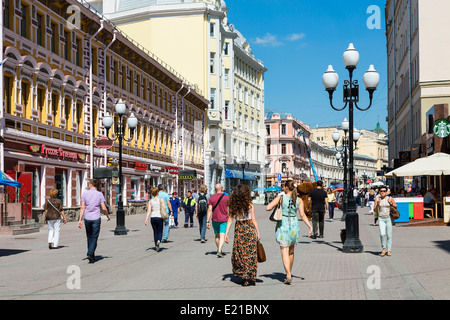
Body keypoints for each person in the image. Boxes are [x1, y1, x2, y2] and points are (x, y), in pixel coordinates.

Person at [266, 180, 312, 284]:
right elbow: (303, 215)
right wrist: (310, 227)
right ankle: (289, 272)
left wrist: (277, 204)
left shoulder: (281, 197)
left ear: (286, 187)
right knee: (291, 251)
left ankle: (288, 274)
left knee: (284, 251)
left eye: (283, 186)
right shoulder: (298, 199)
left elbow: (268, 208)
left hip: (283, 225)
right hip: (294, 226)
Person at [225, 184, 261, 286]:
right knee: (250, 253)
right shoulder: (250, 204)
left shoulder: (234, 205)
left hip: (239, 230)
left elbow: (230, 220)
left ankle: (244, 276)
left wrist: (226, 233)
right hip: (249, 228)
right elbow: (254, 219)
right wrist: (258, 232)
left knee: (240, 253)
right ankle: (250, 275)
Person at [78, 179, 110, 263]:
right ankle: (90, 252)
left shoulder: (85, 194)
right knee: (94, 236)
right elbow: (103, 207)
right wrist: (107, 215)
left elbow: (82, 208)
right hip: (96, 218)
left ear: (91, 184)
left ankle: (91, 256)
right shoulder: (99, 194)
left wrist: (80, 220)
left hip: (87, 218)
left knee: (89, 236)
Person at [207, 184, 230, 257]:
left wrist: (207, 221)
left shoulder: (211, 198)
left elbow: (210, 210)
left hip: (215, 219)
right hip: (224, 219)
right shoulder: (226, 197)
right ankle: (219, 250)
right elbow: (230, 208)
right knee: (222, 235)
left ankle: (218, 249)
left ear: (215, 189)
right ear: (222, 188)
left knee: (217, 235)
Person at [373, 186, 397, 257]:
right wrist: (377, 204)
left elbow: (395, 206)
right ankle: (384, 248)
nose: (382, 192)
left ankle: (388, 250)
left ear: (386, 192)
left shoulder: (390, 198)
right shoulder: (377, 199)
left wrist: (391, 203)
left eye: (384, 191)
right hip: (381, 218)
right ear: (379, 192)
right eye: (381, 191)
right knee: (382, 234)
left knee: (389, 234)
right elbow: (374, 210)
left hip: (388, 218)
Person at [145, 187, 166, 252]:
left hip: (153, 218)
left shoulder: (150, 201)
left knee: (155, 231)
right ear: (157, 193)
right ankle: (159, 240)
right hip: (159, 217)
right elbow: (164, 208)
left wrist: (146, 219)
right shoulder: (161, 200)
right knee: (160, 231)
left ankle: (156, 244)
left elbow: (149, 210)